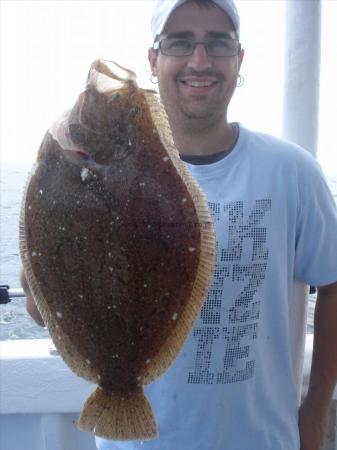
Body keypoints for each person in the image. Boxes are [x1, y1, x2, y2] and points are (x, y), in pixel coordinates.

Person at [22, 1, 337, 449]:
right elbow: (39, 307)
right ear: (154, 59)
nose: (200, 60)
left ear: (239, 58)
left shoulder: (292, 172)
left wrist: (315, 413)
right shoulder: (71, 172)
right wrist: (41, 281)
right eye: (180, 42)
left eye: (217, 43)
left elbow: (333, 282)